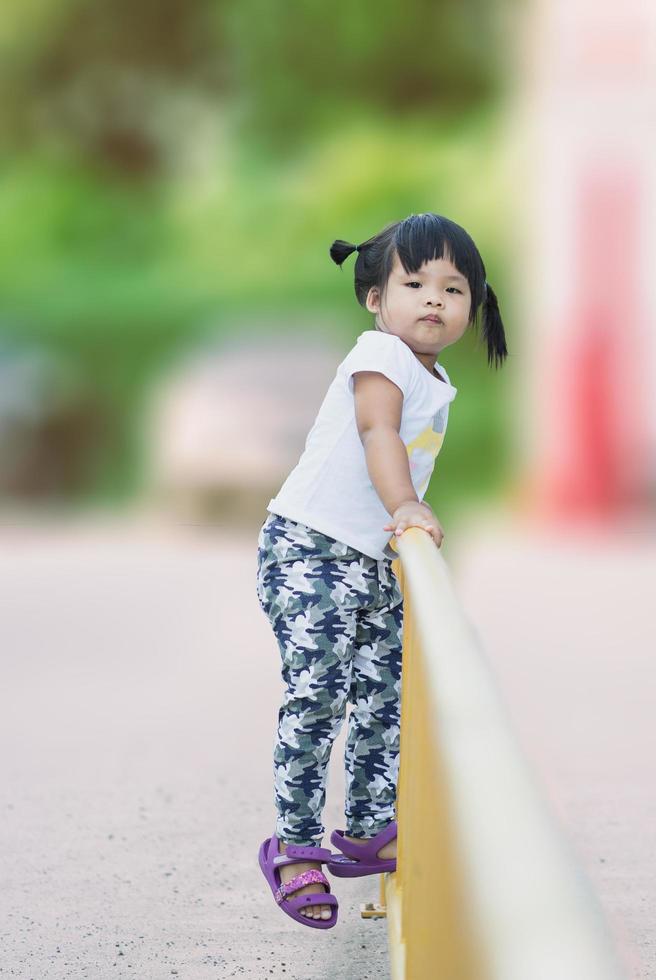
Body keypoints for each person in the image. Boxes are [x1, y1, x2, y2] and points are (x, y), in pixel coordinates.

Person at [256, 211, 508, 928]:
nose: (435, 298)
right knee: (319, 693)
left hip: (367, 560)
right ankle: (296, 846)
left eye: (454, 288)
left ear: (474, 307)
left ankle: (366, 828)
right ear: (375, 297)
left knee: (381, 697)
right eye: (416, 282)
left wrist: (405, 521)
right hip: (309, 548)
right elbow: (378, 433)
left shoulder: (437, 377)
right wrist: (408, 505)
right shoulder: (379, 356)